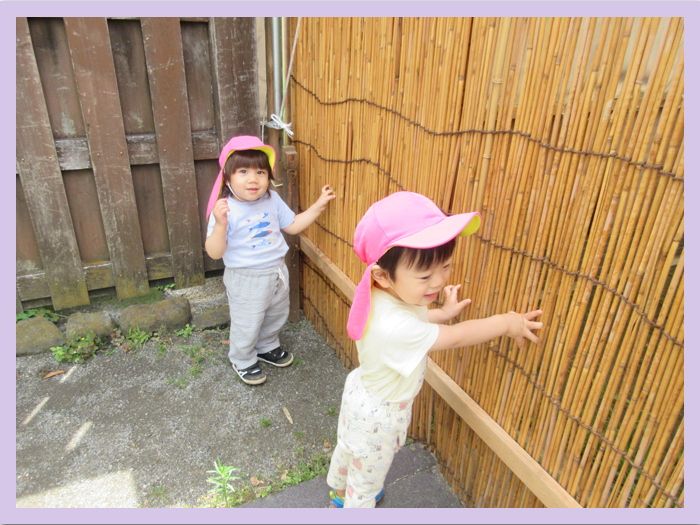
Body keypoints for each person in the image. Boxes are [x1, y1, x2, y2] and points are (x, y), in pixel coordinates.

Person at [327, 191, 543, 508]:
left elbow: (413, 319)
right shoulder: (395, 326)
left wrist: (443, 312)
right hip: (379, 417)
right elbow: (454, 337)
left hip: (362, 394)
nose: (439, 280)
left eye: (446, 266)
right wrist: (506, 322)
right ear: (383, 276)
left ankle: (338, 488)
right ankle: (353, 500)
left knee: (350, 448)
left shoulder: (384, 294)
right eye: (426, 275)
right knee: (366, 483)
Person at [205, 135, 335, 385]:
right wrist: (220, 225)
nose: (253, 179)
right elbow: (214, 252)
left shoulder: (272, 199)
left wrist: (318, 206)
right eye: (243, 171)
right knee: (248, 321)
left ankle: (266, 346)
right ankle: (242, 358)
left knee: (276, 313)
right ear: (228, 178)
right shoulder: (225, 209)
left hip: (277, 271)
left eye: (260, 172)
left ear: (268, 177)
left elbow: (292, 225)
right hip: (245, 277)